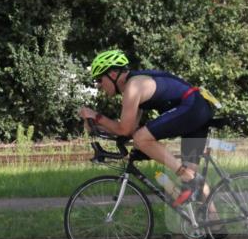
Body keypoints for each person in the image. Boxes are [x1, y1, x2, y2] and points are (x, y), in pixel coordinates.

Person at [78, 49, 215, 210]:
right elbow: (128, 130)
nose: (99, 85)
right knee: (192, 186)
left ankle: (183, 173)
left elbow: (124, 129)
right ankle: (215, 225)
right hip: (197, 108)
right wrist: (97, 125)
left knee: (142, 138)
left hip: (193, 108)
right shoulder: (136, 83)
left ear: (113, 74)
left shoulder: (133, 87)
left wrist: (97, 116)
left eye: (100, 79)